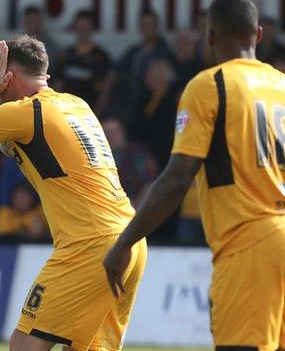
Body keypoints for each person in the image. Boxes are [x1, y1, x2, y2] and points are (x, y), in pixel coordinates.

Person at [0, 35, 147, 351]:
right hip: (130, 239)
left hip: (88, 245)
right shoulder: (78, 104)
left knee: (25, 345)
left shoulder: (24, 113)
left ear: (7, 77)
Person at [104, 1, 285, 350]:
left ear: (210, 36)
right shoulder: (281, 84)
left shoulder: (210, 86)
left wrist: (125, 242)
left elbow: (178, 177)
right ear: (258, 35)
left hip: (250, 242)